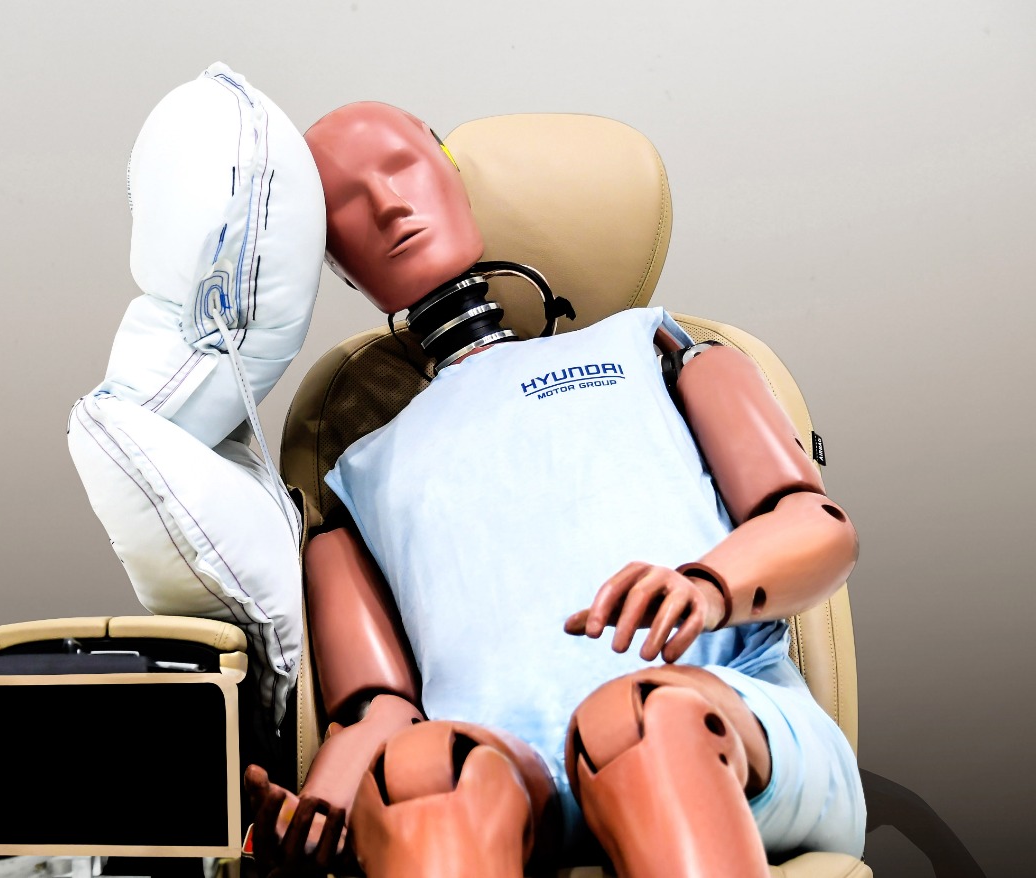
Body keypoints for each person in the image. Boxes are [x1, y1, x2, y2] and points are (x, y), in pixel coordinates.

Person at [245, 102, 865, 878]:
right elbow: (376, 708)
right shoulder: (358, 473)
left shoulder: (657, 350)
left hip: (723, 730)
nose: (390, 207)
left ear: (452, 176)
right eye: (345, 204)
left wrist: (708, 586)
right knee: (422, 777)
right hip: (509, 778)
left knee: (638, 723)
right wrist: (325, 809)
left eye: (403, 169)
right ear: (332, 258)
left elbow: (810, 519)